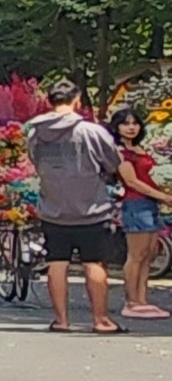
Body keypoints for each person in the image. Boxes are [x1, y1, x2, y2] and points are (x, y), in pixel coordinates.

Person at [25, 78, 128, 334]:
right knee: (94, 262)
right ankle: (101, 320)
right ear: (77, 101)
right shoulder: (91, 131)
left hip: (53, 207)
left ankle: (61, 320)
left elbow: (35, 161)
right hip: (91, 208)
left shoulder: (35, 133)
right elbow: (113, 162)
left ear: (49, 102)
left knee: (57, 261)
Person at [110, 106, 171, 319]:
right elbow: (132, 182)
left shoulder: (140, 149)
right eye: (125, 123)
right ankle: (131, 300)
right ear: (116, 127)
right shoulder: (119, 151)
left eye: (134, 123)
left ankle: (142, 299)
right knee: (136, 255)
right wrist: (163, 196)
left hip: (151, 203)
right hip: (135, 204)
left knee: (149, 254)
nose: (131, 127)